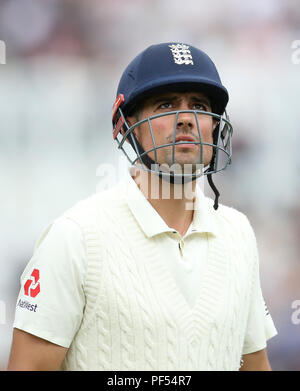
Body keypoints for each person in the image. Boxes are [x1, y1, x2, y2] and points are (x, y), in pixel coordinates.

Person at [8, 42, 277, 371]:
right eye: (166, 105)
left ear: (215, 125)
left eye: (199, 105)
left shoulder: (239, 234)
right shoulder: (75, 237)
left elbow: (255, 365)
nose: (186, 119)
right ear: (127, 125)